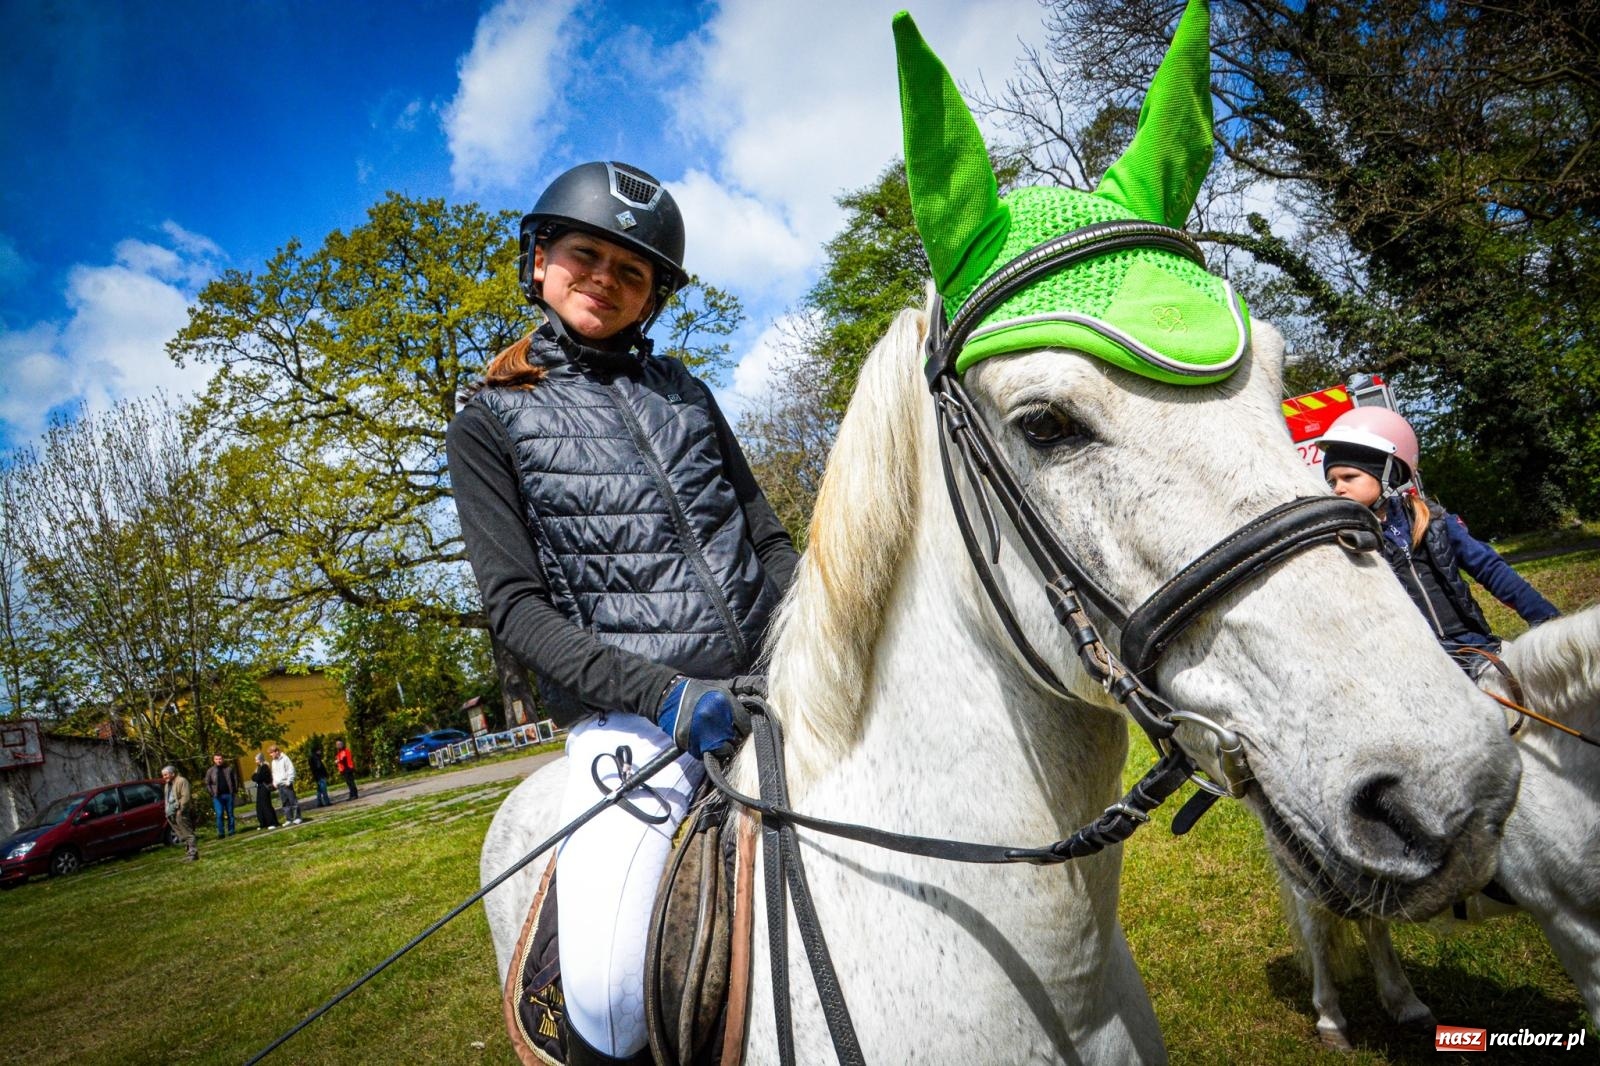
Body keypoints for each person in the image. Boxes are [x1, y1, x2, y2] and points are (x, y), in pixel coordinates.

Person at [446, 160, 798, 1066]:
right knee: (607, 999)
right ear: (539, 261)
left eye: (630, 270)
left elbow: (765, 538)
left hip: (776, 682)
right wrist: (664, 695)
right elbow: (516, 609)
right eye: (585, 255)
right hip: (640, 722)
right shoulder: (488, 420)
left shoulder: (687, 394)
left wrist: (814, 637)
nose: (604, 278)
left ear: (652, 296)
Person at [1320, 406, 1559, 671]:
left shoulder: (1432, 519)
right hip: (1417, 663)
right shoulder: (1351, 541)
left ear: (1388, 474)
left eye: (1349, 477)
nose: (1338, 488)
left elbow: (1490, 569)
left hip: (1472, 645)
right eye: (1332, 482)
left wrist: (1547, 621)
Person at [160, 765, 198, 862]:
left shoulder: (181, 781)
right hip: (171, 814)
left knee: (187, 833)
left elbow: (185, 797)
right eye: (163, 775)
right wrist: (167, 811)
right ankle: (188, 853)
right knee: (182, 835)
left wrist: (180, 811)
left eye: (166, 775)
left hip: (180, 812)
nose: (164, 777)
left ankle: (193, 854)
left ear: (172, 774)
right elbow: (167, 800)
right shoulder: (167, 785)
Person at [202, 753, 242, 838]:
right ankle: (221, 833)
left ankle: (231, 831)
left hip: (228, 794)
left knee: (230, 814)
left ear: (223, 759)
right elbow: (207, 783)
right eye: (216, 759)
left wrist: (234, 790)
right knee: (219, 814)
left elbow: (235, 780)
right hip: (217, 796)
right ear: (214, 760)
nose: (218, 761)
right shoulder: (210, 771)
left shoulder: (229, 769)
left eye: (220, 759)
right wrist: (212, 793)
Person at [269, 745, 303, 825]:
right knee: (285, 803)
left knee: (293, 801)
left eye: (271, 753)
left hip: (286, 784)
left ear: (277, 751)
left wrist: (289, 781)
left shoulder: (285, 759)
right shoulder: (273, 762)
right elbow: (274, 773)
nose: (271, 755)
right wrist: (274, 782)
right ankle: (289, 819)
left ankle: (298, 818)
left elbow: (291, 770)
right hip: (279, 785)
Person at [251, 753, 280, 830]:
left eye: (256, 760)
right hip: (259, 788)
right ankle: (263, 823)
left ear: (260, 759)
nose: (255, 761)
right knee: (259, 806)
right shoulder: (258, 768)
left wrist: (256, 777)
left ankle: (272, 822)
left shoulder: (265, 767)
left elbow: (260, 777)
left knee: (266, 805)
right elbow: (253, 777)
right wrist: (256, 777)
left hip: (265, 788)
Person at [308, 744, 332, 808]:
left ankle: (319, 802)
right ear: (316, 751)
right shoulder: (316, 758)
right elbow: (319, 767)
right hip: (320, 775)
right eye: (319, 750)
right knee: (324, 789)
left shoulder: (311, 757)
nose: (320, 751)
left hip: (317, 776)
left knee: (319, 790)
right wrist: (325, 773)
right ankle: (327, 801)